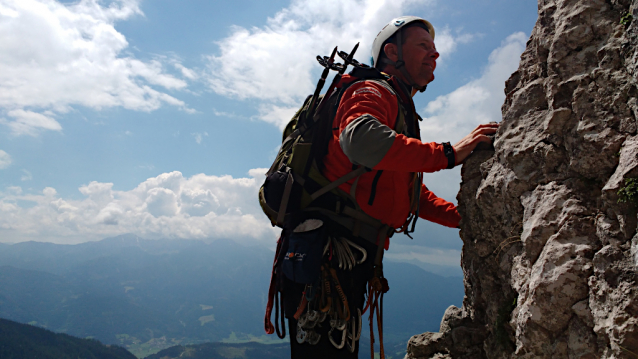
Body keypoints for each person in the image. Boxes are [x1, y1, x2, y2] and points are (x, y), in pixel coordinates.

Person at [283, 16, 498, 359]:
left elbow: (408, 193)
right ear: (391, 51)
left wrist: (465, 218)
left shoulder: (396, 105)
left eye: (435, 49)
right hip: (329, 256)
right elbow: (360, 139)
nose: (435, 55)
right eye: (423, 46)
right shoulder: (372, 91)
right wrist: (448, 153)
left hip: (338, 255)